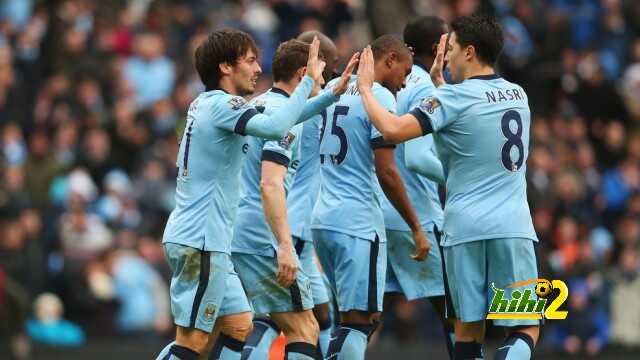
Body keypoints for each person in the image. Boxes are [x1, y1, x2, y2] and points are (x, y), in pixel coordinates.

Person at [356, 15, 540, 360]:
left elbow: (394, 131)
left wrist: (366, 89)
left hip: (462, 230)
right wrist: (443, 86)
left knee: (467, 329)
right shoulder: (519, 95)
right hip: (513, 228)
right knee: (524, 326)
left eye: (451, 49)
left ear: (469, 52)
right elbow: (476, 126)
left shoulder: (451, 100)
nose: (446, 56)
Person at [156, 29, 327, 360]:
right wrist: (308, 82)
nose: (258, 68)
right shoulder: (225, 106)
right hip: (201, 240)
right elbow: (278, 126)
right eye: (250, 60)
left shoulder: (208, 104)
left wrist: (331, 94)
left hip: (206, 238)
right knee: (191, 340)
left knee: (238, 324)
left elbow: (281, 118)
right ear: (225, 67)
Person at [231, 39, 358, 360]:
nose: (323, 81)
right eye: (320, 74)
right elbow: (270, 183)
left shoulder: (255, 107)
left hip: (237, 228)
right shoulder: (284, 121)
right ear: (304, 72)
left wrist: (332, 93)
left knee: (216, 333)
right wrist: (285, 244)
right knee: (312, 327)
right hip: (271, 233)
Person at [311, 34, 428, 360]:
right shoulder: (377, 97)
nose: (404, 84)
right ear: (389, 59)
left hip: (324, 219)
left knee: (353, 319)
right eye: (404, 73)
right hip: (357, 222)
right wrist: (416, 226)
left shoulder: (334, 90)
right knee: (358, 322)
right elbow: (387, 171)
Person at [379, 16, 455, 359]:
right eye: (449, 43)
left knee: (362, 317)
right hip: (416, 216)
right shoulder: (424, 86)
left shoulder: (385, 84)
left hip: (376, 214)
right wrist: (459, 178)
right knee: (456, 313)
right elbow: (418, 158)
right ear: (439, 46)